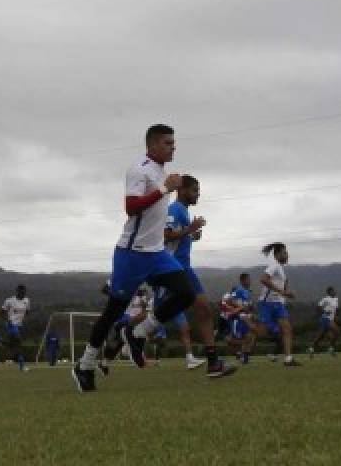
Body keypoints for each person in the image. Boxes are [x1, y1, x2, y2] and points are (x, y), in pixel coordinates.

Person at [71, 124, 235, 393]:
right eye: (169, 143)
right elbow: (130, 207)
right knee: (113, 311)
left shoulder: (162, 172)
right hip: (132, 254)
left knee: (185, 294)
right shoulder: (140, 170)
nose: (174, 147)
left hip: (157, 253)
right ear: (153, 145)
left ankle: (136, 334)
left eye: (174, 143)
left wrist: (185, 229)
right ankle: (85, 365)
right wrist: (163, 189)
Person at [154, 174, 207, 370]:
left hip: (183, 268)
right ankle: (125, 334)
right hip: (172, 269)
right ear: (182, 190)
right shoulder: (174, 209)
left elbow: (180, 238)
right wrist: (190, 229)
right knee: (155, 316)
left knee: (201, 308)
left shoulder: (183, 212)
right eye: (195, 191)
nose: (198, 195)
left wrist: (193, 235)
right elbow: (165, 236)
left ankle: (205, 358)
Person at [254, 242, 299, 367]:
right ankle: (237, 340)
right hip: (267, 303)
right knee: (261, 332)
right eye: (285, 252)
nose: (287, 255)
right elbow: (263, 279)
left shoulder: (281, 269)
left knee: (287, 329)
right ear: (278, 254)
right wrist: (283, 292)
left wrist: (285, 295)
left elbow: (280, 288)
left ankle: (288, 359)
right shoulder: (274, 265)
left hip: (278, 304)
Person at [222, 274, 256, 364]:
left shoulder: (247, 291)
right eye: (248, 279)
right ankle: (239, 352)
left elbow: (247, 305)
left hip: (245, 317)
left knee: (250, 335)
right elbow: (229, 300)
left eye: (250, 279)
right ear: (243, 280)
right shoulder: (238, 290)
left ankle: (244, 357)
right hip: (238, 318)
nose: (250, 281)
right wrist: (240, 307)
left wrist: (250, 307)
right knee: (238, 338)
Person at [0, 284, 31, 371]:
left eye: (24, 292)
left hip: (20, 325)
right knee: (18, 342)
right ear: (17, 292)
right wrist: (8, 320)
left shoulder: (27, 300)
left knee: (13, 345)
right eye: (21, 292)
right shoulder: (9, 301)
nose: (23, 294)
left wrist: (24, 319)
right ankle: (22, 365)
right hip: (11, 325)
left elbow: (27, 311)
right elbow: (1, 312)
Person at [309, 286, 341, 358]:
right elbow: (318, 306)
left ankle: (311, 348)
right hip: (325, 318)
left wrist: (336, 315)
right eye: (333, 291)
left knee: (321, 336)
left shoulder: (336, 299)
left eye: (335, 291)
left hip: (331, 319)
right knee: (337, 331)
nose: (335, 292)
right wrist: (324, 312)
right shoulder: (325, 299)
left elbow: (337, 309)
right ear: (329, 292)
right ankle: (331, 348)